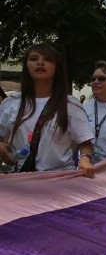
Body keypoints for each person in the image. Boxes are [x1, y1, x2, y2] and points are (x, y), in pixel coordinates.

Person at [0, 43, 95, 176]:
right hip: (20, 178)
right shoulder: (11, 103)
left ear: (57, 68)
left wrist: (85, 159)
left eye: (47, 59)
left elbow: (86, 143)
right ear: (26, 66)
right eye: (33, 59)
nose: (40, 62)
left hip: (59, 180)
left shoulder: (70, 105)